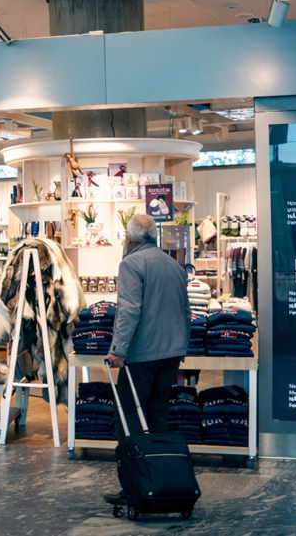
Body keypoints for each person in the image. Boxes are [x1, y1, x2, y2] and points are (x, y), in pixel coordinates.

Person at [103, 214, 191, 505]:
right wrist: (182, 346)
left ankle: (134, 484)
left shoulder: (131, 263)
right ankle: (162, 481)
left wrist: (118, 349)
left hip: (142, 354)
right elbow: (185, 310)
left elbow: (128, 310)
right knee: (157, 414)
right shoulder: (173, 265)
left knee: (127, 418)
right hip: (171, 352)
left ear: (130, 238)